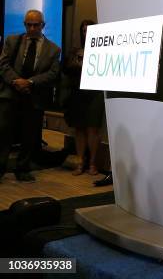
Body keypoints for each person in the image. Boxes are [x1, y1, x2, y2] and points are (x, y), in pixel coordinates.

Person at [0, 10, 61, 183]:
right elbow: (3, 65)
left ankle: (23, 169)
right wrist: (17, 82)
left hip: (34, 97)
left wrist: (31, 82)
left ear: (43, 25)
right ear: (25, 24)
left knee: (29, 135)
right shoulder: (12, 41)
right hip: (10, 95)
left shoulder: (54, 49)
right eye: (29, 24)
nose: (32, 28)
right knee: (3, 133)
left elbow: (53, 74)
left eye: (36, 25)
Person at [63, 19, 105, 176]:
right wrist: (77, 61)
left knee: (93, 128)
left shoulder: (103, 49)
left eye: (89, 30)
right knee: (79, 129)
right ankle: (80, 162)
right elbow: (66, 70)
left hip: (95, 93)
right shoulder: (76, 51)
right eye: (83, 30)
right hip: (78, 93)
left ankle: (93, 164)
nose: (86, 33)